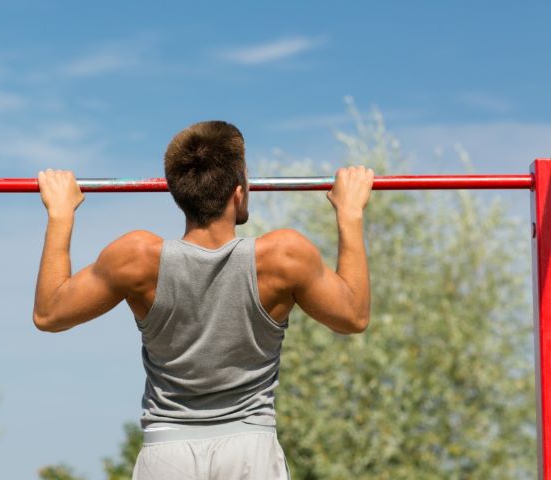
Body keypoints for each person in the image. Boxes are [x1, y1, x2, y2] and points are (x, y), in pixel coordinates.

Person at [33, 120, 374, 479]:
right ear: (239, 191)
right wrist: (350, 214)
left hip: (167, 452)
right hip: (250, 450)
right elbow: (353, 316)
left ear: (179, 193)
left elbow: (49, 313)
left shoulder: (135, 258)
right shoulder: (283, 256)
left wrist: (60, 214)